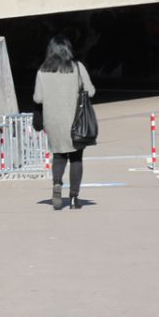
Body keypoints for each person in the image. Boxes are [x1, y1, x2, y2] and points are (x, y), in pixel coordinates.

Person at [33, 36, 95, 211]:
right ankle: (74, 198)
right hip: (75, 120)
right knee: (76, 157)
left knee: (59, 155)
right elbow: (90, 92)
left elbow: (38, 98)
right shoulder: (77, 67)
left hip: (53, 121)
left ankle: (57, 183)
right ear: (68, 49)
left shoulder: (42, 71)